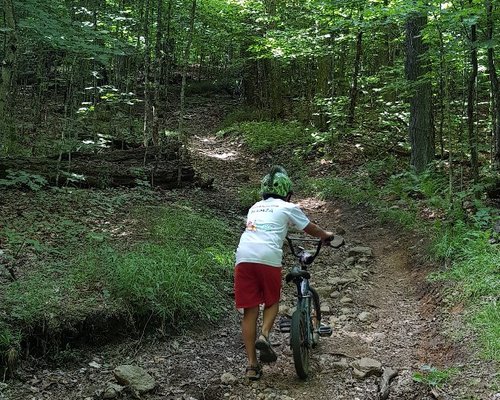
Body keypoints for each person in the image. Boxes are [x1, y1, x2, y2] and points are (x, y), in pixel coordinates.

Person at [234, 165, 334, 380]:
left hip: (243, 256)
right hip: (267, 257)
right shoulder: (287, 207)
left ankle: (252, 365)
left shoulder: (254, 207)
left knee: (250, 311)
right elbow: (310, 228)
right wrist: (326, 235)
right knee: (272, 301)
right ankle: (265, 334)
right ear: (287, 192)